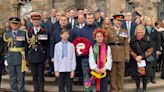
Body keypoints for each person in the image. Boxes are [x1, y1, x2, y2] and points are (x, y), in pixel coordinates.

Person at [106, 13, 130, 92]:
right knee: (112, 73)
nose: (119, 22)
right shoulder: (108, 30)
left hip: (121, 53)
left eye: (120, 21)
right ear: (113, 21)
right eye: (117, 20)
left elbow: (126, 44)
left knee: (120, 73)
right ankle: (114, 89)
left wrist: (127, 56)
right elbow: (105, 43)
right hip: (111, 53)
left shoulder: (124, 31)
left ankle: (120, 89)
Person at [26, 12, 49, 92]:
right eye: (34, 20)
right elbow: (26, 46)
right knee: (34, 76)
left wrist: (46, 57)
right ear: (31, 21)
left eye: (37, 20)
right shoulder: (28, 32)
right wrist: (26, 58)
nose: (36, 21)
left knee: (41, 76)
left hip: (41, 57)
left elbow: (47, 45)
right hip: (31, 57)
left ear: (40, 21)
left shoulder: (44, 31)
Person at [3, 17, 27, 92]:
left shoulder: (23, 33)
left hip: (20, 58)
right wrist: (6, 57)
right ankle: (13, 90)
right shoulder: (7, 34)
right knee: (12, 77)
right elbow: (5, 47)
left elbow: (25, 46)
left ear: (19, 24)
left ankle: (20, 90)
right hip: (10, 57)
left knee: (21, 77)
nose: (14, 25)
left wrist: (25, 58)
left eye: (16, 23)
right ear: (10, 24)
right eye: (13, 23)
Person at [130, 24, 154, 92]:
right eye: (138, 32)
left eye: (140, 32)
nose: (139, 34)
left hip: (145, 60)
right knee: (137, 75)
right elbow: (130, 49)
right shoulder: (133, 39)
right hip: (135, 60)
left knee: (145, 76)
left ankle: (144, 89)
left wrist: (142, 56)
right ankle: (138, 88)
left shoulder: (148, 39)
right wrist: (135, 56)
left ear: (143, 32)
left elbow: (150, 49)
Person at [145, 17, 159, 83]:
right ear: (145, 22)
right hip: (146, 49)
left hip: (154, 49)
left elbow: (158, 40)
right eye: (147, 20)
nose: (149, 21)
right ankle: (147, 78)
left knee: (153, 64)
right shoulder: (143, 29)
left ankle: (153, 78)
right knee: (147, 64)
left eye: (150, 20)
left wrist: (158, 49)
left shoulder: (154, 30)